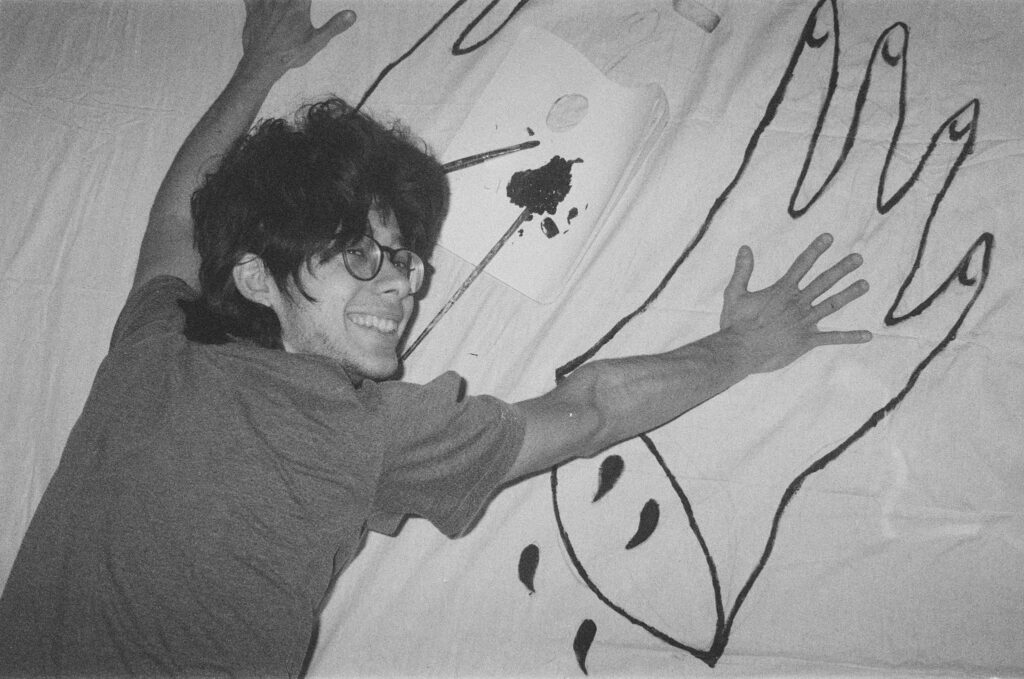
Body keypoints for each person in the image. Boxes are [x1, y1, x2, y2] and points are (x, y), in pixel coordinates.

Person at [0, 1, 872, 676]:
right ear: (258, 277)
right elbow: (181, 219)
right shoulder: (179, 351)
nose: (400, 284)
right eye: (359, 253)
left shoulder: (305, 399)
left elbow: (588, 408)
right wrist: (259, 66)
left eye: (404, 259)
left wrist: (742, 350)